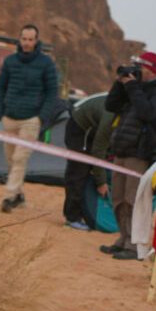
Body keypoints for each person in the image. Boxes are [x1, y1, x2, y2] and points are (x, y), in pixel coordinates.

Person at [102, 50, 156, 261]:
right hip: (122, 149)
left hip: (140, 152)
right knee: (118, 199)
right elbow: (111, 105)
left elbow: (147, 113)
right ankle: (123, 238)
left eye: (141, 67)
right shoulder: (135, 89)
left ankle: (135, 246)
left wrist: (133, 87)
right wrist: (120, 83)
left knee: (133, 200)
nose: (137, 71)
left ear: (152, 70)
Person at [0, 24, 61, 202]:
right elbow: (1, 87)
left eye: (31, 39)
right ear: (20, 39)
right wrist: (0, 111)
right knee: (10, 159)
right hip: (9, 117)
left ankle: (8, 196)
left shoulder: (46, 64)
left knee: (19, 158)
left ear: (36, 41)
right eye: (24, 39)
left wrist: (42, 117)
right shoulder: (10, 62)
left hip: (31, 119)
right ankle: (18, 194)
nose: (27, 43)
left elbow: (52, 92)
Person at [60, 92, 116, 230]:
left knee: (90, 172)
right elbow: (98, 150)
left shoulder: (126, 114)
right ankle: (72, 218)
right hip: (80, 129)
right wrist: (101, 182)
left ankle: (85, 212)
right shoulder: (111, 117)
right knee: (78, 171)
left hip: (94, 127)